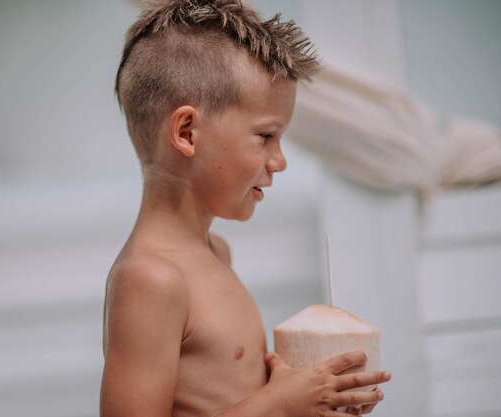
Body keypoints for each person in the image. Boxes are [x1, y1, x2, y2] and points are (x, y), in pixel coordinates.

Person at [101, 1, 391, 416]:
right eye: (266, 135)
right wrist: (282, 403)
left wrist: (313, 396)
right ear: (187, 132)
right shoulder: (150, 280)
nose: (280, 160)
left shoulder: (217, 252)